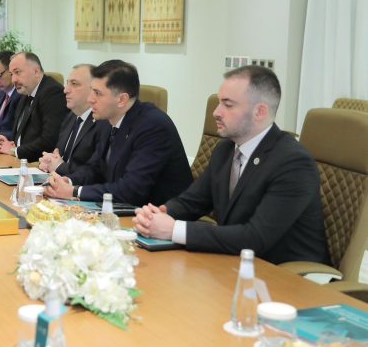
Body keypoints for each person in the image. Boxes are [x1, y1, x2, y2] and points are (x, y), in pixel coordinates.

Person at [133, 66, 330, 264]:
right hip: (237, 261)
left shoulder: (293, 163)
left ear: (259, 112)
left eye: (228, 105)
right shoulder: (226, 149)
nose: (216, 112)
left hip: (287, 273)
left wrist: (174, 230)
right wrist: (158, 215)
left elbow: (256, 238)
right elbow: (192, 202)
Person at [45, 60, 192, 205]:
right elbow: (95, 169)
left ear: (121, 99)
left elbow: (131, 190)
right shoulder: (109, 119)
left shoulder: (153, 126)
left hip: (158, 212)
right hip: (122, 206)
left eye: (97, 93)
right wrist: (68, 181)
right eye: (91, 91)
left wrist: (75, 191)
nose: (90, 99)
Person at [0, 52, 68, 161]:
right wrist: (8, 143)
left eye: (17, 72)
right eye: (11, 74)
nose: (13, 80)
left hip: (39, 164)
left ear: (36, 72)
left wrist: (14, 151)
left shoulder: (52, 92)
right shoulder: (26, 92)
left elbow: (49, 141)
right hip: (21, 161)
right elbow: (22, 135)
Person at [39, 64, 110, 175]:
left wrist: (59, 167)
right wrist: (48, 161)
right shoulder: (71, 116)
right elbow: (59, 155)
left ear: (94, 89)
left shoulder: (103, 122)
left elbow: (95, 174)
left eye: (74, 84)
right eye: (67, 83)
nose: (66, 90)